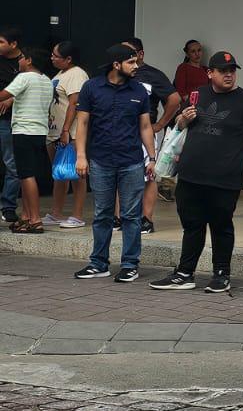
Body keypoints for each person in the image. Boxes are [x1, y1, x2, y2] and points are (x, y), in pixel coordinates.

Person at [149, 51, 243, 294]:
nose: (228, 75)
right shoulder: (197, 95)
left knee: (221, 225)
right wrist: (182, 119)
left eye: (232, 70)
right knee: (192, 224)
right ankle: (185, 273)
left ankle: (221, 274)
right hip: (191, 174)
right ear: (209, 73)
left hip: (226, 178)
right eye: (223, 71)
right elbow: (179, 127)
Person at [72, 45, 155, 282]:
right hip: (100, 160)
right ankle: (99, 263)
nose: (136, 66)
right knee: (102, 214)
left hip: (131, 161)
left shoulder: (139, 90)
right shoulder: (91, 88)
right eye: (131, 62)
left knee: (131, 215)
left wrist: (152, 157)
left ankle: (130, 265)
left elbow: (145, 126)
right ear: (116, 65)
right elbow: (83, 123)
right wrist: (81, 156)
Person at [124, 38, 181, 234]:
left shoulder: (153, 75)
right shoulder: (116, 74)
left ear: (140, 54)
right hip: (121, 131)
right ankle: (118, 218)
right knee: (118, 172)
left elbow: (174, 100)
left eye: (130, 52)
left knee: (149, 176)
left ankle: (146, 219)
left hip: (145, 131)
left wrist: (161, 124)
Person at [0, 48, 54, 233]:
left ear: (29, 60)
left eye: (22, 57)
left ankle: (35, 220)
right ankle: (26, 216)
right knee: (27, 174)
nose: (19, 61)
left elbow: (3, 95)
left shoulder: (24, 78)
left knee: (26, 175)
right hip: (39, 132)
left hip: (24, 131)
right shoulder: (46, 81)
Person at [46, 41, 88, 228]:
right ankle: (56, 213)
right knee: (59, 173)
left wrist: (66, 130)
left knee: (76, 174)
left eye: (56, 55)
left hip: (70, 133)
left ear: (69, 59)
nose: (52, 58)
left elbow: (74, 103)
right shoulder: (60, 74)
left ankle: (77, 216)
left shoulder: (77, 74)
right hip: (54, 132)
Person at [0, 26, 20, 223]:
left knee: (12, 164)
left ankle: (8, 206)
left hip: (12, 121)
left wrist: (11, 99)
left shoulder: (24, 62)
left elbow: (32, 85)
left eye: (1, 42)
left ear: (13, 44)